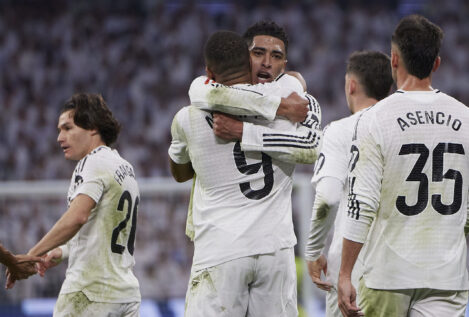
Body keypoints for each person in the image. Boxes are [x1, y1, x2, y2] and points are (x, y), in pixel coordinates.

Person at [169, 30, 321, 316]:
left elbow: (179, 173)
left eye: (275, 57)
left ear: (209, 71)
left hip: (221, 248)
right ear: (246, 59)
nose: (266, 63)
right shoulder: (291, 111)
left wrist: (236, 133)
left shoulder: (187, 117)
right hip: (275, 250)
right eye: (258, 54)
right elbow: (312, 144)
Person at [338, 14, 469, 317]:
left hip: (388, 274)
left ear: (394, 59)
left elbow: (363, 202)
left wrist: (345, 273)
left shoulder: (375, 119)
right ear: (436, 63)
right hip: (447, 277)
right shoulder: (465, 119)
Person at [8, 93, 141, 316]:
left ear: (92, 128)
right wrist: (62, 250)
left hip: (90, 292)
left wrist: (32, 254)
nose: (60, 137)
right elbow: (102, 229)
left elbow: (77, 216)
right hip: (124, 294)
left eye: (67, 128)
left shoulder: (92, 162)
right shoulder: (124, 166)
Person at [304, 50, 393, 317]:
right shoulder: (400, 130)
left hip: (353, 271)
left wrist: (313, 250)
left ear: (351, 85)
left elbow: (328, 197)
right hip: (402, 268)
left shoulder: (339, 130)